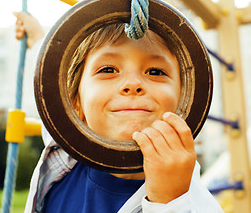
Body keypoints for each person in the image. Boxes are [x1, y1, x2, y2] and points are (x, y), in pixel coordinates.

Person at [14, 12, 224, 213]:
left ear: (185, 100)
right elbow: (50, 84)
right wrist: (37, 38)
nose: (133, 84)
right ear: (75, 104)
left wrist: (170, 201)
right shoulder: (65, 144)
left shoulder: (193, 202)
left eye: (155, 71)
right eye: (107, 70)